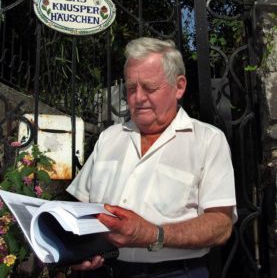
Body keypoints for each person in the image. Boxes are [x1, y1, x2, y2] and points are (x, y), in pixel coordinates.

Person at [66, 37, 237, 278]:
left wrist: (152, 234)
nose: (138, 98)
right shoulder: (110, 137)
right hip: (103, 271)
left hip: (174, 273)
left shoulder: (207, 140)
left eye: (149, 88)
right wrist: (79, 247)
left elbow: (220, 226)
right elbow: (82, 206)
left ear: (179, 87)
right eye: (131, 88)